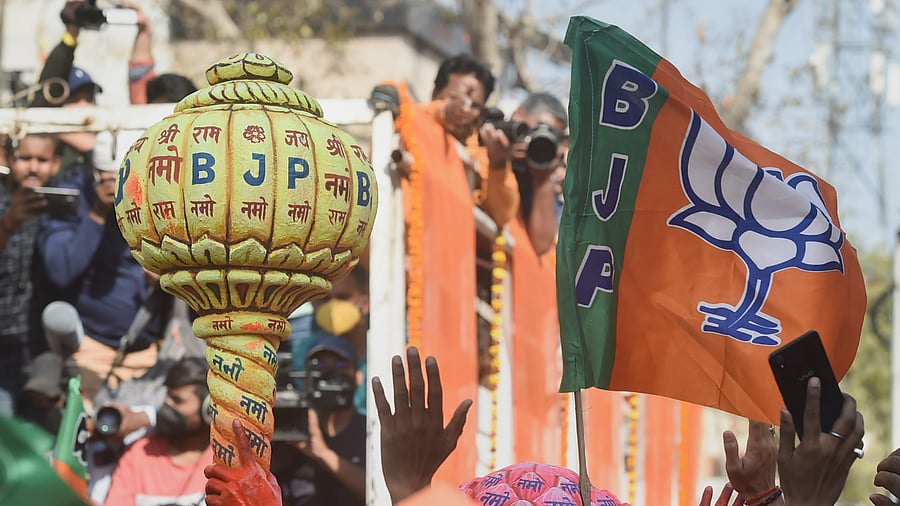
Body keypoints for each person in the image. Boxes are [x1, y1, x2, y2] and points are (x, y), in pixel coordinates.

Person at [36, 130, 167, 402]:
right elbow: (61, 270)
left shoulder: (159, 194)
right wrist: (97, 213)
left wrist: (168, 275)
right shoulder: (71, 199)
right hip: (91, 348)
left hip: (146, 349)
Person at [0, 133, 62, 415]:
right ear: (9, 159)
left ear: (56, 163)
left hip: (42, 345)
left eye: (42, 159)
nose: (34, 167)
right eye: (26, 158)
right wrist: (9, 223)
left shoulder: (64, 205)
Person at [270, 334, 366, 505]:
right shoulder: (292, 426)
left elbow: (381, 492)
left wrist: (322, 454)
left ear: (358, 376)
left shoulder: (370, 431)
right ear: (306, 381)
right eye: (319, 366)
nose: (329, 374)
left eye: (340, 364)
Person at [104, 356, 213, 506]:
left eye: (177, 400)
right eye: (167, 397)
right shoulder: (140, 453)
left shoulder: (225, 460)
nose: (167, 407)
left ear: (208, 408)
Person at [508, 92, 569, 256]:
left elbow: (541, 244)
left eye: (551, 136)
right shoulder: (491, 139)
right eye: (538, 130)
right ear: (519, 116)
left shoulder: (542, 175)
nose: (542, 140)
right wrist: (501, 158)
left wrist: (542, 177)